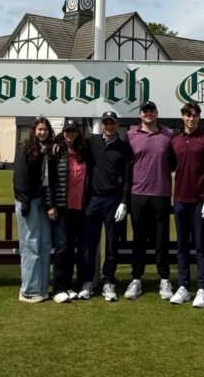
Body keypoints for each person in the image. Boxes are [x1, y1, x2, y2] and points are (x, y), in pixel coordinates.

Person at [168, 101, 204, 308]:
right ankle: (183, 287)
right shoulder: (176, 141)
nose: (191, 119)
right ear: (182, 117)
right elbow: (169, 167)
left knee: (201, 247)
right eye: (188, 115)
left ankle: (202, 289)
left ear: (199, 117)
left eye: (195, 115)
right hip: (180, 199)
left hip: (199, 201)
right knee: (182, 246)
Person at [125, 100, 174, 300]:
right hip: (138, 193)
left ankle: (164, 278)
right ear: (140, 114)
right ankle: (136, 278)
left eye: (151, 110)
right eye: (145, 111)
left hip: (161, 193)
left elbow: (173, 161)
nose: (148, 114)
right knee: (139, 239)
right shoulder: (130, 135)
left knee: (161, 239)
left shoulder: (168, 134)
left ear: (156, 113)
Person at [81, 109, 132, 301]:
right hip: (93, 199)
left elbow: (128, 178)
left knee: (112, 243)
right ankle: (87, 281)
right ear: (102, 125)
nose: (109, 126)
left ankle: (109, 280)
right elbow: (71, 142)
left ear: (117, 125)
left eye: (112, 123)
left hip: (113, 200)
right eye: (106, 123)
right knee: (89, 242)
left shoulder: (124, 147)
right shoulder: (92, 142)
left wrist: (124, 202)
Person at [12, 117, 56, 303]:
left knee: (45, 245)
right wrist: (25, 202)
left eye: (45, 129)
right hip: (28, 201)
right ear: (34, 130)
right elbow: (20, 177)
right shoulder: (25, 149)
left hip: (43, 202)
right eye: (39, 129)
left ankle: (42, 287)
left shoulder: (49, 150)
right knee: (30, 245)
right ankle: (28, 290)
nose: (42, 133)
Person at [49, 118, 91, 303]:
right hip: (62, 207)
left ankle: (72, 286)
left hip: (80, 207)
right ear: (63, 131)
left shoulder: (83, 151)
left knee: (79, 248)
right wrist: (50, 204)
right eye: (67, 131)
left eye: (73, 131)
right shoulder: (56, 151)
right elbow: (48, 180)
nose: (70, 134)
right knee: (63, 248)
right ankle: (59, 287)